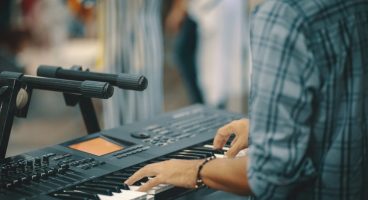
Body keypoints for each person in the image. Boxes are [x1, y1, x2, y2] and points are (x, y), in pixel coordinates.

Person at [125, 0, 368, 199]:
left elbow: (272, 176)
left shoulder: (284, 15)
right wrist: (268, 126)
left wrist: (194, 169)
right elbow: (343, 101)